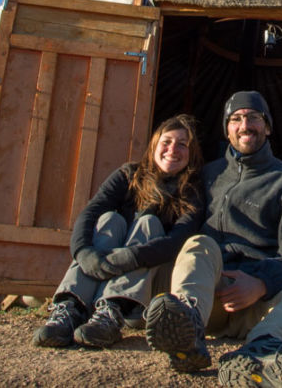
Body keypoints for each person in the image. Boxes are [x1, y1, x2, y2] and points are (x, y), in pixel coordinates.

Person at [143, 90, 282, 388]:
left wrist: (260, 283)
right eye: (236, 118)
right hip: (208, 298)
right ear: (227, 129)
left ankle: (259, 351)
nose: (245, 124)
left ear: (267, 126)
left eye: (254, 117)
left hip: (259, 307)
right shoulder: (206, 176)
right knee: (199, 244)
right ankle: (187, 330)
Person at [32, 114, 204, 349]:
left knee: (149, 224)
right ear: (154, 144)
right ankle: (70, 308)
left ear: (191, 153)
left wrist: (130, 256)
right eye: (167, 141)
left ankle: (111, 312)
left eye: (182, 144)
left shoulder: (192, 191)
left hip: (148, 281)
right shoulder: (129, 175)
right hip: (105, 265)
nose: (172, 149)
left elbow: (177, 240)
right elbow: (89, 213)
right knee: (109, 219)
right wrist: (84, 253)